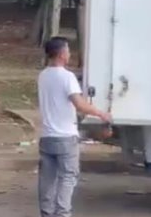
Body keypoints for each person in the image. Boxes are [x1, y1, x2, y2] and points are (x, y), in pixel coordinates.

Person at [37, 36, 111, 217]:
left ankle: (46, 213)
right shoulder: (67, 77)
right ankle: (62, 213)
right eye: (68, 50)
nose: (69, 54)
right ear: (62, 54)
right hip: (65, 137)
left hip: (47, 136)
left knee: (47, 178)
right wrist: (101, 113)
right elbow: (80, 104)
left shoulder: (43, 75)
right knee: (68, 177)